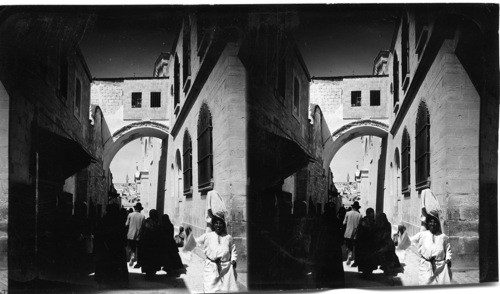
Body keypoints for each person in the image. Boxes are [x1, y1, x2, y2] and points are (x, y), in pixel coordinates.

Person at [193, 215, 238, 292]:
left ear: (223, 225)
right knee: (209, 288)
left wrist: (233, 260)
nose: (218, 225)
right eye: (216, 223)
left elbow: (233, 250)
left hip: (225, 268)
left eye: (220, 223)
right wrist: (187, 235)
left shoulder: (228, 237)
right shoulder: (208, 236)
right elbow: (195, 242)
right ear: (213, 225)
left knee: (226, 288)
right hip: (211, 266)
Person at [410, 214, 453, 285]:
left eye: (435, 222)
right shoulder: (422, 234)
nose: (432, 224)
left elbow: (448, 249)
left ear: (438, 224)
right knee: (426, 283)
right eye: (430, 222)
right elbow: (410, 241)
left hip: (440, 266)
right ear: (428, 224)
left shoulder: (443, 237)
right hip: (426, 265)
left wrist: (448, 258)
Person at [94, 203, 129, 289]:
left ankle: (104, 281)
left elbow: (98, 234)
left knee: (105, 265)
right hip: (117, 248)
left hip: (105, 247)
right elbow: (123, 234)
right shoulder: (119, 221)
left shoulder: (103, 220)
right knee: (118, 265)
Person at [312, 202, 345, 289]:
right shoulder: (336, 221)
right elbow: (340, 236)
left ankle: (321, 282)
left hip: (322, 247)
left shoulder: (320, 219)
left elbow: (315, 234)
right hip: (334, 249)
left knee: (322, 266)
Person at [374, 213, 403, 278]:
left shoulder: (386, 225)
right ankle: (387, 270)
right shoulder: (385, 224)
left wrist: (378, 239)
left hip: (386, 244)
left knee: (385, 257)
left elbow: (384, 236)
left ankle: (388, 271)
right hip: (387, 244)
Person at [139, 209, 163, 279]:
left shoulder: (146, 222)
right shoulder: (158, 223)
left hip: (146, 244)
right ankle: (152, 273)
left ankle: (148, 273)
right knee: (154, 259)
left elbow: (141, 233)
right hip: (155, 245)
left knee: (147, 259)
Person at [355, 208, 377, 276]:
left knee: (368, 259)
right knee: (366, 259)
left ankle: (368, 272)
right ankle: (366, 272)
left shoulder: (373, 221)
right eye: (371, 213)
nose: (372, 214)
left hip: (369, 244)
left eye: (373, 213)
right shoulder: (364, 221)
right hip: (365, 243)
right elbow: (360, 231)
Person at [125, 202, 145, 267]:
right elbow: (143, 226)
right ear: (140, 209)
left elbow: (126, 225)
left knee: (132, 247)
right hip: (139, 235)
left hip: (130, 235)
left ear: (135, 208)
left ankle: (132, 256)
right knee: (139, 249)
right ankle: (138, 262)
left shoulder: (130, 215)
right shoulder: (142, 216)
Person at [343, 201, 361, 266]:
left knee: (349, 246)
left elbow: (344, 223)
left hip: (348, 233)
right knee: (356, 247)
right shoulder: (360, 215)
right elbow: (360, 225)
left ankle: (349, 255)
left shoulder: (348, 213)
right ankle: (355, 261)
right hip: (356, 234)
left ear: (352, 207)